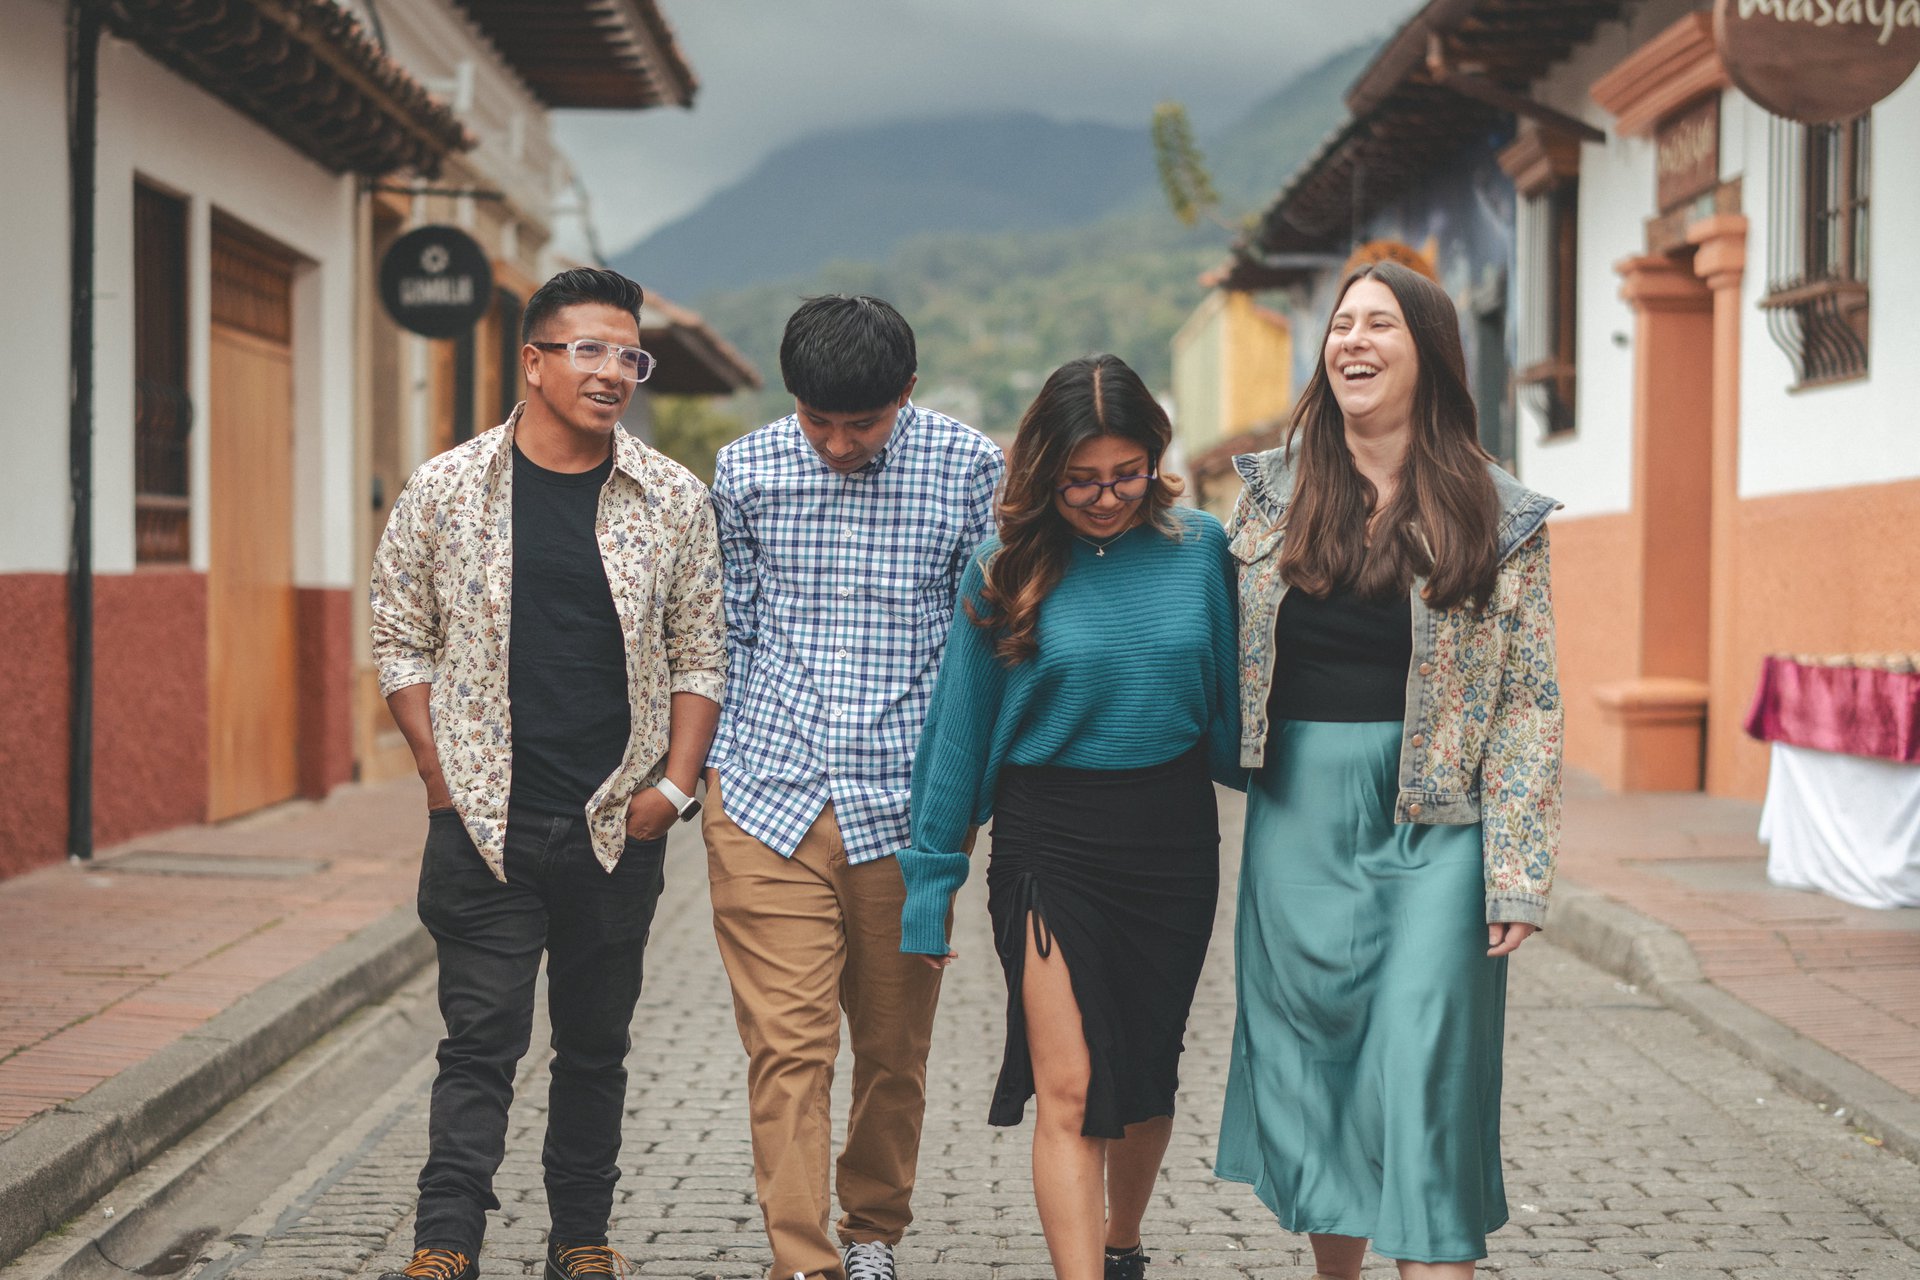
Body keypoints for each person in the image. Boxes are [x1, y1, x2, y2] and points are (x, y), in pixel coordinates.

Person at [369, 268, 725, 1280]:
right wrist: (439, 774)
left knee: (595, 1045)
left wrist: (674, 788)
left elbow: (701, 651)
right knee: (480, 1040)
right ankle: (446, 1241)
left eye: (629, 355)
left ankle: (581, 1236)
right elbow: (399, 635)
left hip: (618, 822)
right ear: (533, 362)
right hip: (486, 821)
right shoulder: (446, 488)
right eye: (588, 349)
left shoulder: (672, 499)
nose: (613, 371)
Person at [1213, 260, 1562, 1279]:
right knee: (1317, 1068)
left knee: (1427, 1069)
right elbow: (1200, 635)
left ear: (1430, 353)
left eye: (1380, 325)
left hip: (1439, 824)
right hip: (1299, 816)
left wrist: (1519, 869)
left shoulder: (1500, 512)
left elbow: (1530, 698)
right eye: (1342, 324)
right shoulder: (1266, 496)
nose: (1353, 341)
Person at [897, 355, 1241, 1280]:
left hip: (1172, 835)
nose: (1105, 497)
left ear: (1157, 460)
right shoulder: (1003, 566)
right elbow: (958, 736)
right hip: (1048, 838)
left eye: (1126, 474)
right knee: (1073, 1084)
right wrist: (931, 884)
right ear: (1044, 470)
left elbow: (1234, 708)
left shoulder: (1201, 549)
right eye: (1080, 479)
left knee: (1147, 1077)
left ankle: (1121, 1245)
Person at [702, 295, 1005, 1280]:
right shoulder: (746, 470)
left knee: (890, 1046)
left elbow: (982, 641)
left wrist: (966, 796)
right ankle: (803, 1258)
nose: (836, 443)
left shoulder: (969, 469)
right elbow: (729, 628)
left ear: (906, 392)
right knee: (788, 1046)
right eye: (816, 420)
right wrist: (707, 765)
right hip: (764, 794)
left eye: (862, 423)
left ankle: (872, 1230)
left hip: (909, 813)